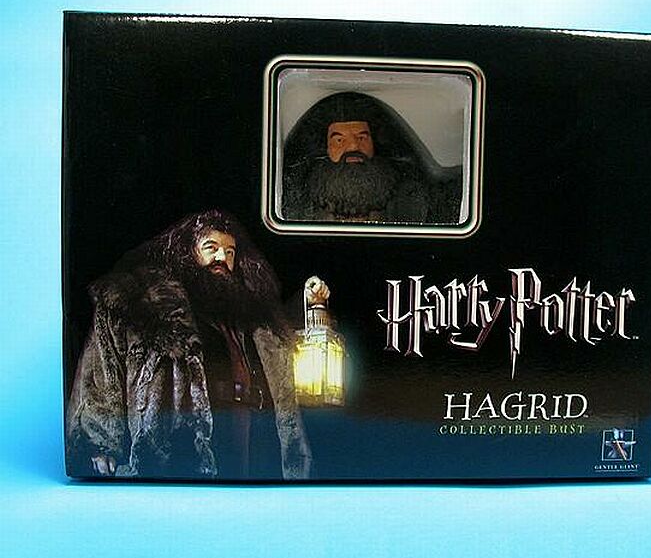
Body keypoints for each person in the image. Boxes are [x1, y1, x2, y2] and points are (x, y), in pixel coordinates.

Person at [66, 209, 325, 479]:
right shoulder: (145, 305)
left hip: (252, 446)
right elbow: (102, 371)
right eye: (211, 247)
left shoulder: (243, 313)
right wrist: (99, 443)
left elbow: (277, 341)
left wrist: (308, 303)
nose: (222, 258)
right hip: (182, 451)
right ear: (188, 252)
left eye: (230, 252)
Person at [281, 92, 463, 223]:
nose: (353, 147)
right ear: (326, 149)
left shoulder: (412, 197)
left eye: (362, 138)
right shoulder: (299, 201)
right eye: (339, 140)